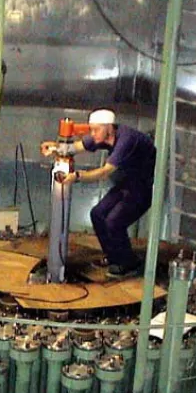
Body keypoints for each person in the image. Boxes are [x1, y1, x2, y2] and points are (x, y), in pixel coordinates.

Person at [41, 109, 156, 278]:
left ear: (109, 127)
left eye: (96, 130)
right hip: (127, 183)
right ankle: (114, 257)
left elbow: (104, 172)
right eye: (91, 129)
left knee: (114, 222)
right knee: (97, 214)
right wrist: (55, 147)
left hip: (143, 189)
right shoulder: (104, 135)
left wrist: (77, 176)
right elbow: (76, 147)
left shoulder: (126, 141)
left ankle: (130, 264)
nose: (92, 134)